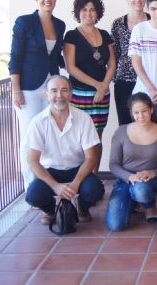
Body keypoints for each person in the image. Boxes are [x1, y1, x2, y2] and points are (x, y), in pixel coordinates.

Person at [9, 0, 66, 188]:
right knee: (29, 138)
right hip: (28, 88)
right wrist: (16, 90)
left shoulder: (59, 25)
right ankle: (30, 187)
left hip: (51, 87)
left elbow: (56, 56)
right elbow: (15, 57)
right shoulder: (24, 22)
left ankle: (48, 185)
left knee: (49, 134)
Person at [25, 75, 104, 225]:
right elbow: (33, 161)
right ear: (46, 95)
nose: (59, 96)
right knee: (33, 195)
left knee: (95, 190)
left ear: (71, 93)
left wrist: (75, 184)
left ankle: (82, 206)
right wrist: (55, 186)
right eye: (54, 91)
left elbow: (91, 158)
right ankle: (49, 210)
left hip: (77, 169)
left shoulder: (84, 118)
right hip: (50, 170)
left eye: (64, 90)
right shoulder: (37, 122)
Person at [106, 93, 157, 231]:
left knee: (141, 190)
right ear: (131, 113)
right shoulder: (121, 131)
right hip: (126, 180)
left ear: (151, 109)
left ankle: (149, 205)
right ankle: (135, 201)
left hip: (151, 181)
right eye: (136, 113)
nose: (141, 116)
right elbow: (113, 164)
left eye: (144, 111)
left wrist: (153, 172)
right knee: (115, 225)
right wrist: (130, 177)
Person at [63, 0, 116, 150]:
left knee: (97, 138)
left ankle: (94, 174)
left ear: (98, 13)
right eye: (84, 9)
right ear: (78, 12)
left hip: (102, 95)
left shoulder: (105, 35)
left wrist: (104, 86)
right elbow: (70, 67)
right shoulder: (71, 36)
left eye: (92, 10)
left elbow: (112, 63)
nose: (88, 13)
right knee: (78, 136)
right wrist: (98, 86)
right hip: (80, 94)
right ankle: (79, 174)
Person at [111, 0, 150, 125]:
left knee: (147, 123)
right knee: (125, 123)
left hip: (148, 79)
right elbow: (115, 53)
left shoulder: (153, 21)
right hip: (124, 81)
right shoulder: (118, 23)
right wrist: (114, 78)